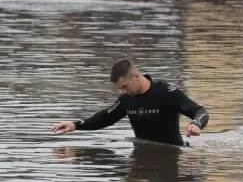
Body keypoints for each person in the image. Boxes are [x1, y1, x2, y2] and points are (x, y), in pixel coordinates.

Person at [50, 59, 210, 146]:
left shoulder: (166, 92)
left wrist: (196, 123)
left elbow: (200, 111)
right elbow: (106, 118)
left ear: (136, 75)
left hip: (171, 153)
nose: (124, 92)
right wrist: (75, 125)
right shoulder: (127, 99)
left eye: (125, 87)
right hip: (142, 155)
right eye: (120, 89)